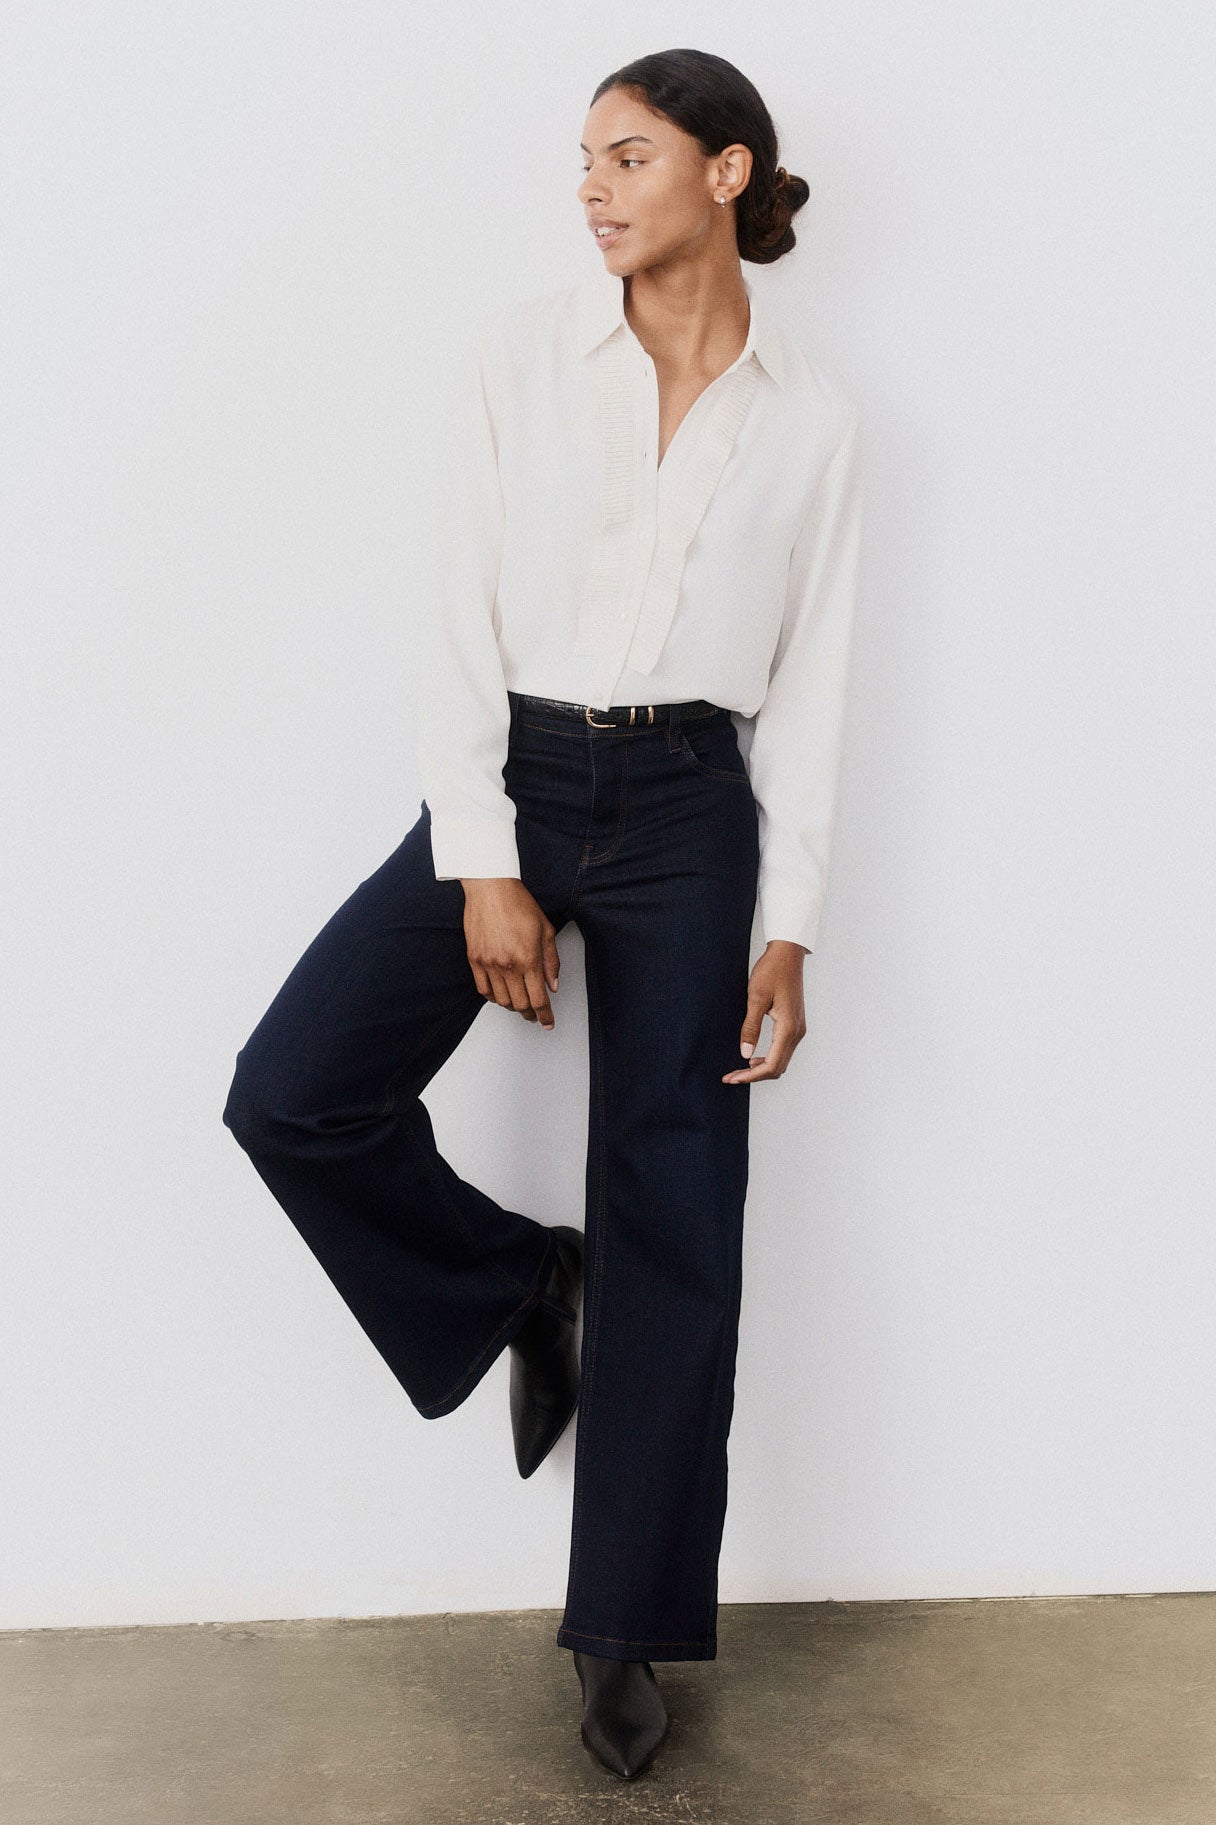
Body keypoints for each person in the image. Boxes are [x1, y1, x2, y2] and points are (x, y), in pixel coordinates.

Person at [222, 46, 865, 1784]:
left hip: (694, 806)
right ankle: (522, 1279)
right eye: (583, 159)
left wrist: (791, 918)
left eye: (627, 155)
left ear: (726, 172)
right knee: (293, 1092)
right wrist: (482, 856)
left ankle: (623, 1626)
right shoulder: (518, 357)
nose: (591, 187)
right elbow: (454, 612)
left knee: (682, 1209)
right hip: (514, 766)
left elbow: (811, 681)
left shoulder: (813, 418)